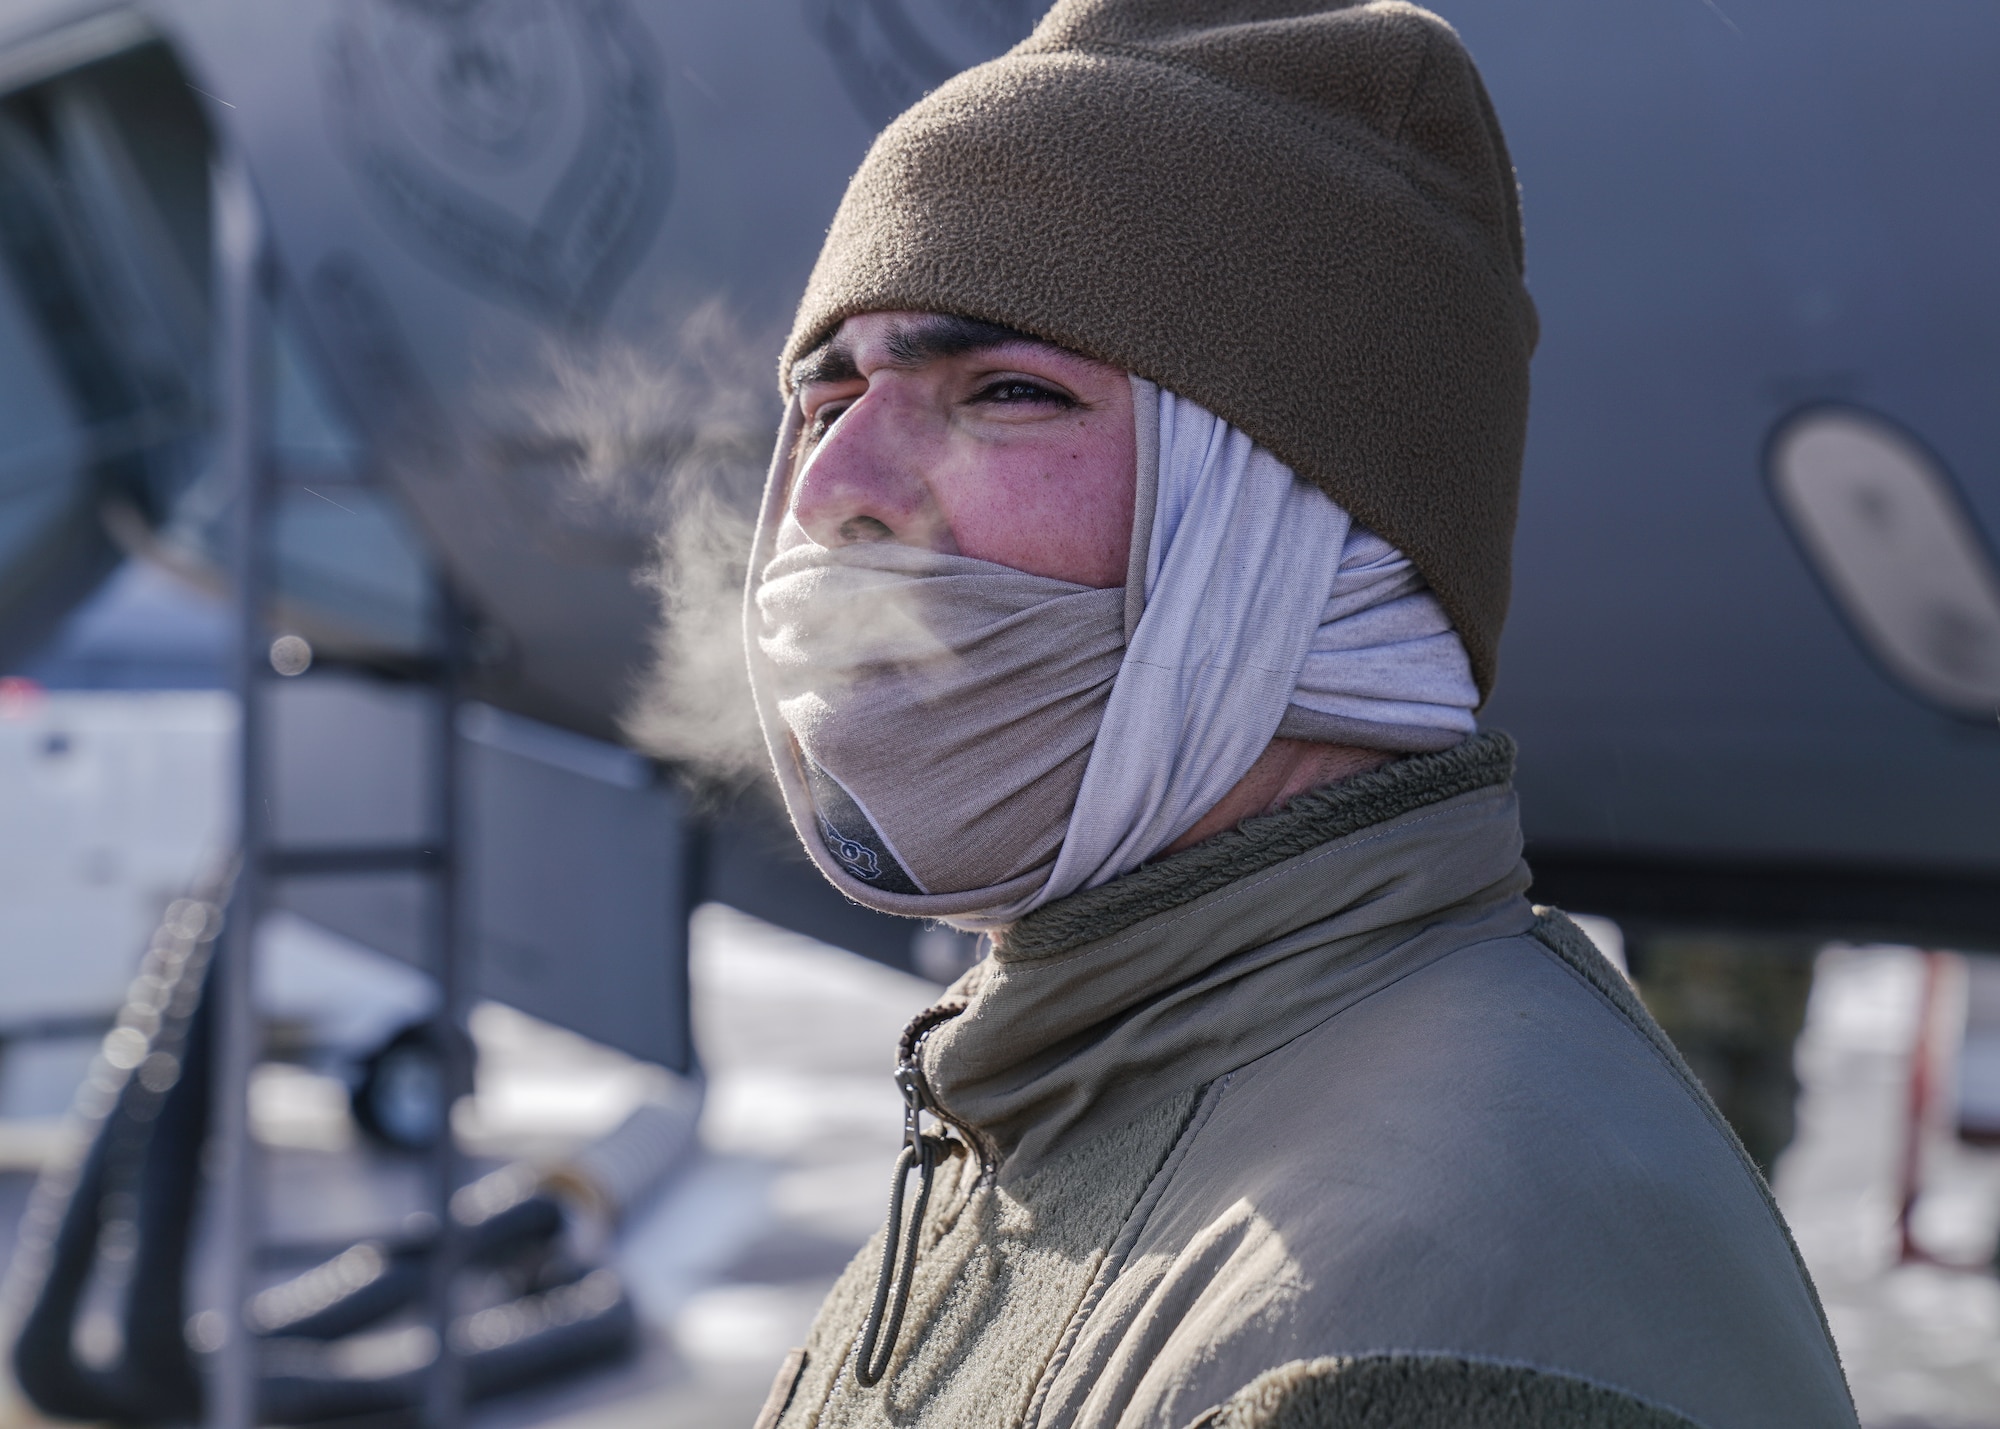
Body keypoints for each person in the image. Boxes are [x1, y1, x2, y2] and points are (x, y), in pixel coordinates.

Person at [738, 2, 1858, 1425]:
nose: (836, 491)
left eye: (1008, 390)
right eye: (827, 394)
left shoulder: (1433, 1294)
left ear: (1301, 537)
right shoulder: (1058, 1095)